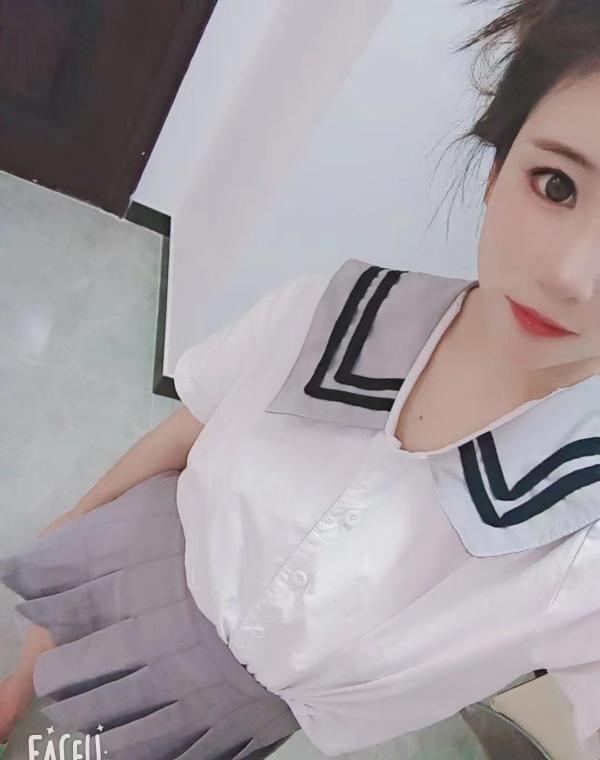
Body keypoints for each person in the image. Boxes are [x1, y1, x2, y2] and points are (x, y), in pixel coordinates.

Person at [2, 0, 600, 757]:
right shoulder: (327, 308)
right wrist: (75, 522)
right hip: (133, 555)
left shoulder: (582, 534)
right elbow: (191, 429)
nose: (571, 276)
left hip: (213, 717)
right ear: (495, 170)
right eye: (556, 185)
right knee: (47, 663)